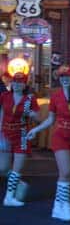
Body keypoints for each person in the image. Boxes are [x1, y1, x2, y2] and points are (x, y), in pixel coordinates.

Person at [25, 66, 70, 222]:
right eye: (62, 76)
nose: (64, 79)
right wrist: (36, 129)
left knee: (69, 173)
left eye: (68, 76)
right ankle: (65, 205)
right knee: (65, 171)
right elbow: (51, 120)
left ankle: (58, 205)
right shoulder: (56, 96)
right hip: (60, 135)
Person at [0, 73, 40, 206]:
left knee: (17, 168)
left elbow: (38, 117)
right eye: (15, 82)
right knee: (3, 167)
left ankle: (9, 197)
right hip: (5, 133)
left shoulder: (29, 99)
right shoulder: (4, 96)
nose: (17, 84)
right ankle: (19, 183)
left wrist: (31, 113)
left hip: (21, 135)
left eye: (20, 82)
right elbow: (1, 114)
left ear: (24, 85)